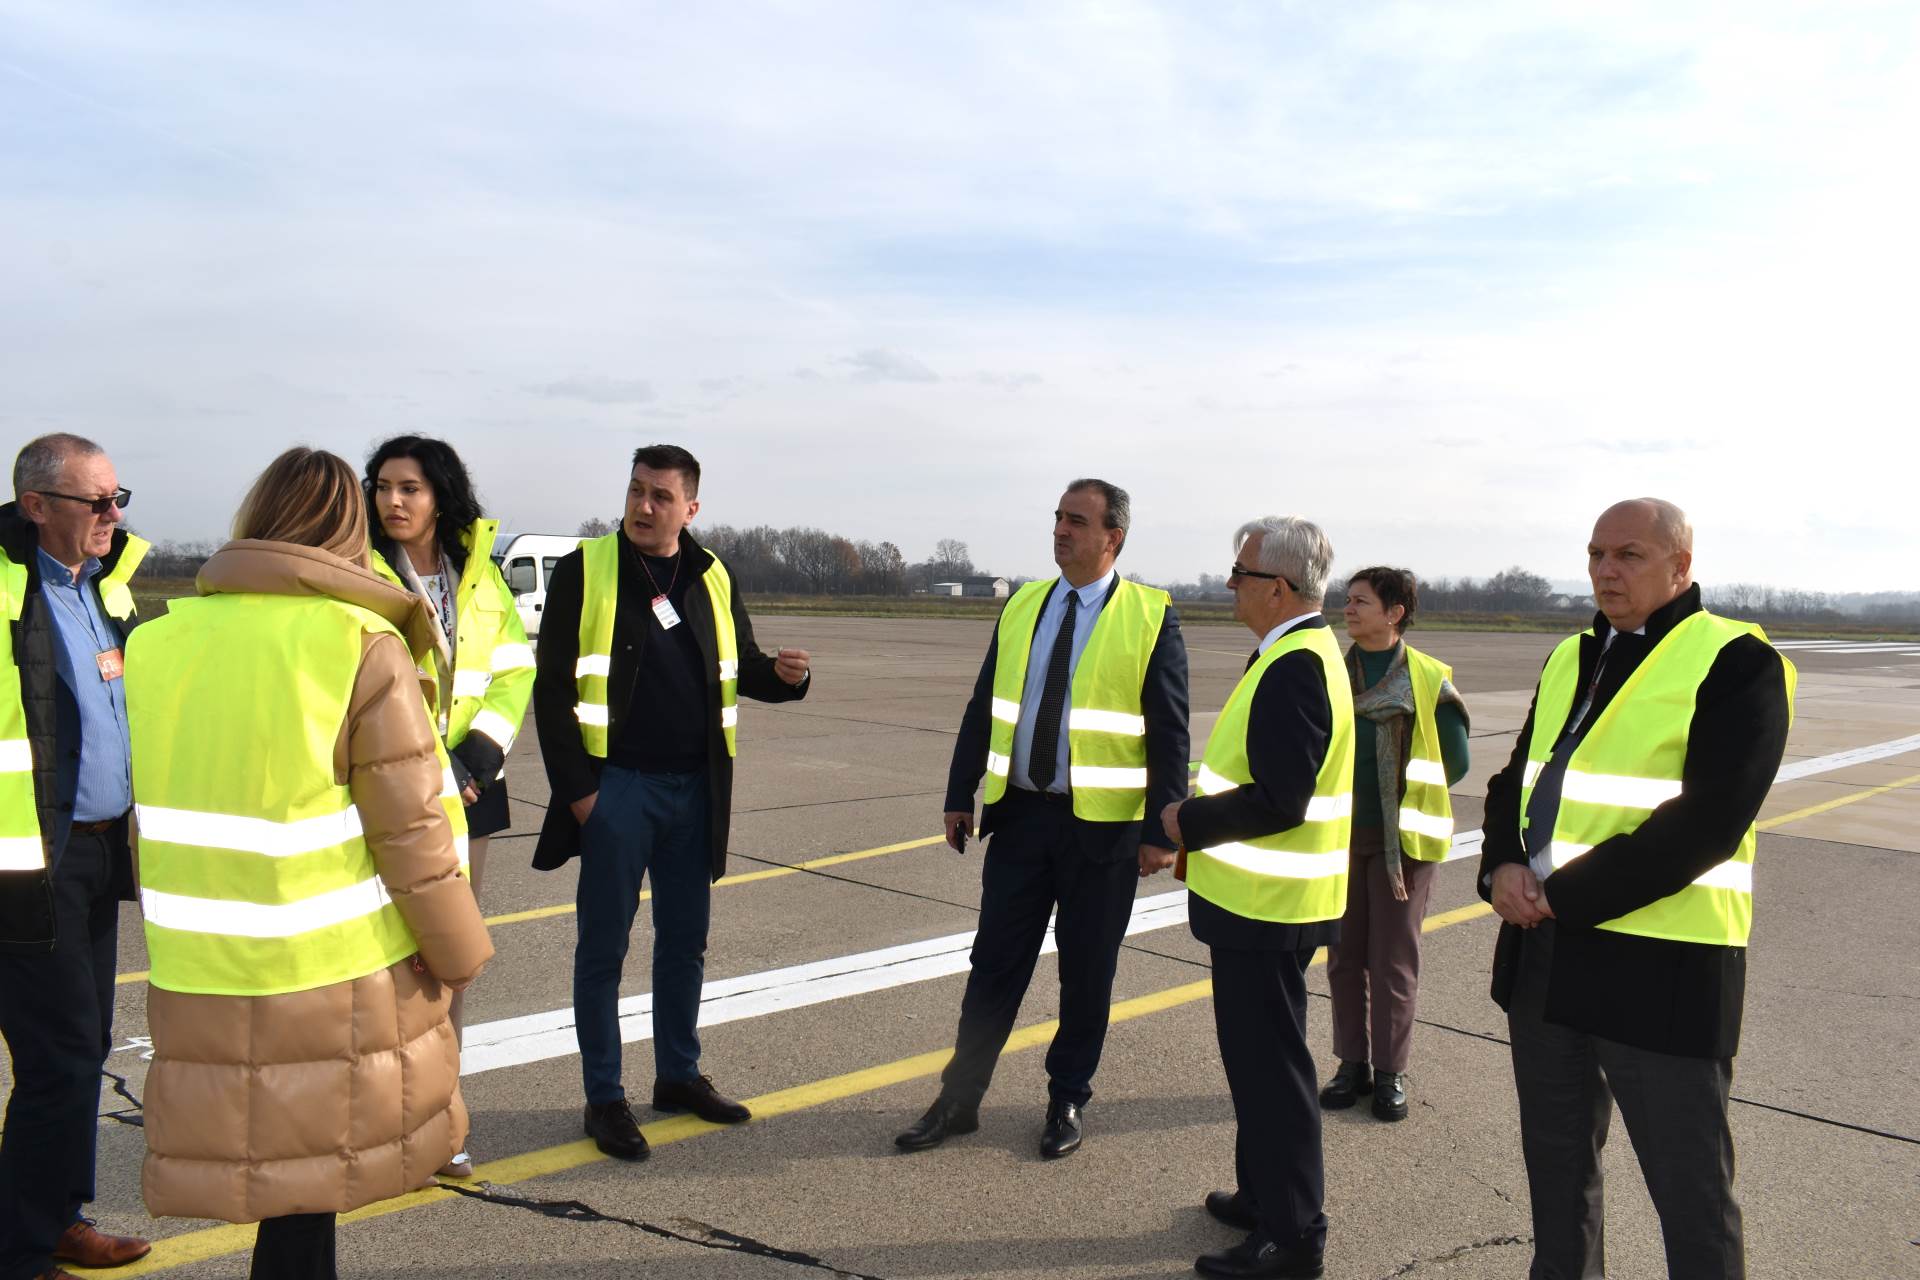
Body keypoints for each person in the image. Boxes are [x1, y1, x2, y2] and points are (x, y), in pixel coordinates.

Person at [125, 447, 492, 1280]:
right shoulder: (360, 644)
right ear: (347, 530)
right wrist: (461, 955)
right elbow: (414, 838)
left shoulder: (160, 641)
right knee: (303, 1202)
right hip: (329, 974)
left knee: (276, 1198)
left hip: (197, 966)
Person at [1478, 497, 1793, 1279]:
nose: (1605, 572)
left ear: (1681, 566)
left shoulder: (1736, 661)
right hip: (1546, 956)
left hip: (1662, 967)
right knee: (1557, 1178)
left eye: (1628, 555)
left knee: (1690, 1196)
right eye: (1595, 555)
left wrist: (1561, 894)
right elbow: (1516, 780)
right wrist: (1501, 865)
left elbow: (1707, 823)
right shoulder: (1570, 656)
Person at [532, 443, 811, 1162]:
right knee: (603, 949)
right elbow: (553, 692)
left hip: (697, 790)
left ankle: (678, 1076)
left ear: (691, 508)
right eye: (635, 490)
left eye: (660, 495)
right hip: (616, 787)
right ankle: (604, 1096)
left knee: (684, 943)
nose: (643, 505)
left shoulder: (713, 574)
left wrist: (783, 678)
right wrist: (583, 796)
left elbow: (739, 665)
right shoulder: (585, 569)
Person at [897, 479, 1189, 1160]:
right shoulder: (1026, 602)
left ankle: (1067, 1097)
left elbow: (1168, 732)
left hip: (1104, 833)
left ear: (1112, 537)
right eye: (1057, 517)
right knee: (994, 965)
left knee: (1087, 974)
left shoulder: (1150, 616)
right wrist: (958, 790)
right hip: (1022, 818)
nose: (1060, 530)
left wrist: (1158, 832)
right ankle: (959, 1097)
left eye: (1076, 521)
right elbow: (983, 705)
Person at [1155, 515, 1347, 1280]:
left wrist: (1186, 822)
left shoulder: (1295, 665)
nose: (1230, 584)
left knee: (1272, 1074)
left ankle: (1294, 1236)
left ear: (1277, 587)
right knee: (1259, 1065)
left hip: (1268, 907)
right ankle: (1266, 1196)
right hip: (1268, 905)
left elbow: (1281, 799)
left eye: (1240, 573)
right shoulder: (1297, 652)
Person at [0, 434, 152, 1280]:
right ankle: (23, 1250)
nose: (113, 515)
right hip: (28, 863)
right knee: (57, 1058)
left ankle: (59, 1217)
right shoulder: (6, 591)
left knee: (85, 1046)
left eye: (117, 496)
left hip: (100, 854)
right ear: (36, 507)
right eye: (96, 503)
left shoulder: (108, 590)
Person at [364, 435, 534, 1179]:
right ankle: (379, 1127)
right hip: (387, 794)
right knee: (379, 969)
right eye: (382, 486)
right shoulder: (357, 571)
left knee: (450, 965)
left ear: (441, 497)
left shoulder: (479, 574)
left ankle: (439, 1124)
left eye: (410, 488)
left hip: (468, 796)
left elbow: (513, 669)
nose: (393, 501)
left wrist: (480, 758)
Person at [1319, 568, 1469, 1122]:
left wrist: (1400, 799)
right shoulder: (1332, 670)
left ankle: (1390, 1072)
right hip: (1340, 836)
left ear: (1394, 613)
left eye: (1361, 602)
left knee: (1393, 961)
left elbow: (1457, 761)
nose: (1349, 610)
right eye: (1347, 600)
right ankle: (1350, 1064)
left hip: (1402, 843)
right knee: (1344, 957)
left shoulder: (1427, 677)